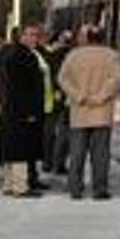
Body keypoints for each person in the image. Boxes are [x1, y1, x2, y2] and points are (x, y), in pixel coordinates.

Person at [57, 25, 120, 200]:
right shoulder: (112, 55)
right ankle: (100, 189)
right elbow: (116, 80)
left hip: (79, 111)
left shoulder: (73, 55)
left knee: (77, 152)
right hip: (102, 112)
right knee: (101, 154)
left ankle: (75, 188)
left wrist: (78, 96)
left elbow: (62, 78)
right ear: (102, 37)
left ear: (86, 38)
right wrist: (100, 97)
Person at [0, 24, 50, 198]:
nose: (35, 38)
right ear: (21, 37)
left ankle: (9, 184)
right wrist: (31, 112)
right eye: (30, 34)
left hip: (10, 108)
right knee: (21, 148)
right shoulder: (25, 56)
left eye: (36, 35)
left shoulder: (12, 53)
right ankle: (20, 187)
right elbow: (25, 88)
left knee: (11, 147)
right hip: (21, 110)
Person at [41, 29, 74, 176]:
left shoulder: (50, 55)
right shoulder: (71, 55)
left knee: (50, 130)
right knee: (64, 132)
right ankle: (58, 163)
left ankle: (47, 162)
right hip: (66, 97)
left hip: (52, 97)